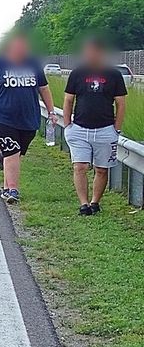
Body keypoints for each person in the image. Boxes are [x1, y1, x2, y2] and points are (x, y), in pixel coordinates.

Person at [0, 34, 56, 204]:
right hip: (3, 118)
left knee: (16, 154)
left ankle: (6, 186)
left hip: (28, 120)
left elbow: (44, 88)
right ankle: (13, 189)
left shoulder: (33, 64)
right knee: (12, 151)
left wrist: (51, 111)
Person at [63, 37, 127, 215]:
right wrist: (68, 125)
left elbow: (121, 103)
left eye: (92, 51)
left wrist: (116, 129)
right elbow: (68, 99)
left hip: (106, 129)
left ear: (100, 53)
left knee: (101, 169)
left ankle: (94, 202)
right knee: (80, 167)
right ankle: (83, 204)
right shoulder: (77, 73)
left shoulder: (113, 75)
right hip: (79, 128)